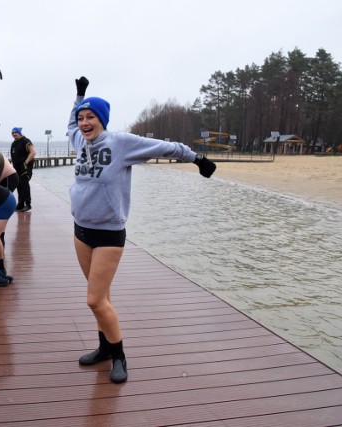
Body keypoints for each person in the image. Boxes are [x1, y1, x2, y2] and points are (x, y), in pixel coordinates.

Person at [67, 76, 216, 384]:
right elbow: (70, 121)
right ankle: (104, 348)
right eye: (82, 118)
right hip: (80, 230)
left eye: (90, 117)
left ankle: (119, 355)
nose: (84, 123)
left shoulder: (121, 143)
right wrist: (79, 96)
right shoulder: (80, 141)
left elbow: (164, 146)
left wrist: (197, 158)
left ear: (102, 120)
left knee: (94, 300)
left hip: (109, 233)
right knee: (102, 296)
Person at [10, 127, 36, 212]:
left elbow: (33, 152)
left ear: (19, 133)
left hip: (25, 167)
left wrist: (26, 162)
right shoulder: (14, 143)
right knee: (18, 185)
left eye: (15, 132)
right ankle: (20, 204)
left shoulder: (25, 140)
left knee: (24, 184)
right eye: (12, 133)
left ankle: (28, 204)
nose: (14, 134)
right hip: (16, 167)